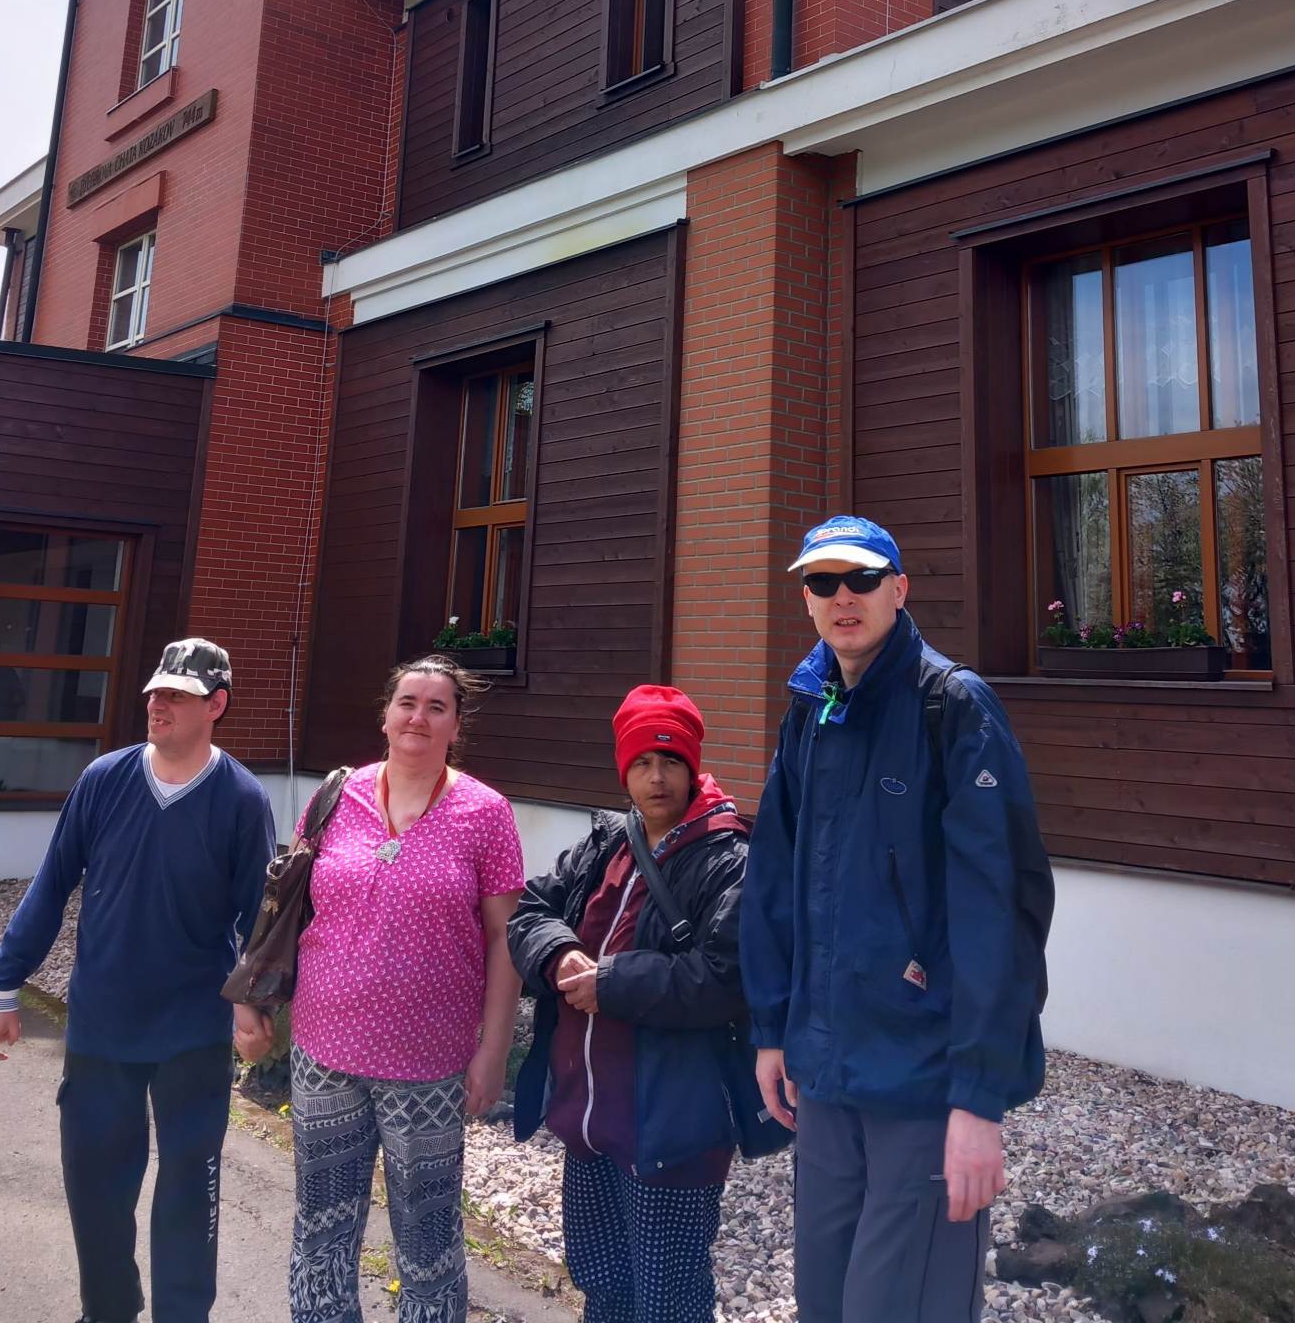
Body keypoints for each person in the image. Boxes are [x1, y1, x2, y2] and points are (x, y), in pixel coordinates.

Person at [741, 515, 1054, 1323]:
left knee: (901, 1305)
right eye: (823, 582)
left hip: (921, 1080)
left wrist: (977, 1101)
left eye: (862, 579)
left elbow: (1000, 911)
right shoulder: (809, 709)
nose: (842, 597)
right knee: (825, 1304)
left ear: (898, 589)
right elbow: (773, 876)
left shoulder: (953, 705)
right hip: (824, 1074)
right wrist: (771, 1029)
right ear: (806, 599)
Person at [0, 638, 276, 1323]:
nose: (157, 703)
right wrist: (4, 985)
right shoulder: (104, 779)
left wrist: (254, 1004)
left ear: (216, 705)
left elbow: (257, 920)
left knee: (188, 1191)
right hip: (103, 1023)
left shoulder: (241, 799)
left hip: (192, 1032)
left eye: (177, 694)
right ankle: (107, 1310)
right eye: (155, 691)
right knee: (96, 1188)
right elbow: (52, 883)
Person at [269, 655, 525, 1323]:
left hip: (428, 1063)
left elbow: (506, 938)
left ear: (456, 726)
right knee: (322, 1225)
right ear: (385, 716)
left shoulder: (485, 814)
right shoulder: (336, 797)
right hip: (324, 1048)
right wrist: (255, 1000)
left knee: (428, 1234)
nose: (419, 716)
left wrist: (493, 1050)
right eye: (408, 702)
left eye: (437, 707)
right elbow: (290, 905)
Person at [508, 684, 751, 1323]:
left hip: (672, 1129)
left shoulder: (729, 859)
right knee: (604, 1288)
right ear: (624, 769)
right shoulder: (606, 845)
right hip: (588, 1121)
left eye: (671, 760)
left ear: (692, 767)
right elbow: (530, 910)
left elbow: (723, 978)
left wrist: (611, 983)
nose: (657, 777)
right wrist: (560, 953)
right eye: (642, 761)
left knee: (668, 1302)